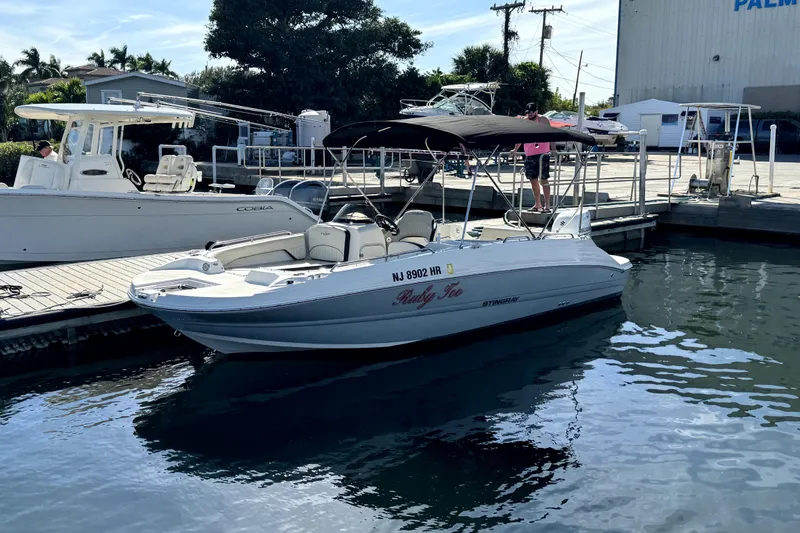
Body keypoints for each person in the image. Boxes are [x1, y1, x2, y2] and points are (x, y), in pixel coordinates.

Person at [514, 103, 552, 213]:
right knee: (533, 179)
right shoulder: (524, 121)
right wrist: (515, 149)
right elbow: (520, 136)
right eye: (527, 112)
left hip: (543, 153)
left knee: (544, 179)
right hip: (530, 154)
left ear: (536, 111)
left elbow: (551, 134)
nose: (529, 114)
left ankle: (547, 205)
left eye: (531, 112)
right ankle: (537, 204)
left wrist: (553, 149)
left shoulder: (543, 120)